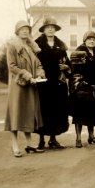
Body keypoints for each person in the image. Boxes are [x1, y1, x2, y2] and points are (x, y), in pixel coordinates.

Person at [4, 20, 46, 157]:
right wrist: (28, 76)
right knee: (16, 114)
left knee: (28, 113)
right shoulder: (12, 46)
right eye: (22, 29)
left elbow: (38, 64)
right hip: (18, 86)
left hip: (31, 86)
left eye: (27, 29)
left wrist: (39, 74)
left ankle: (29, 144)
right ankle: (15, 145)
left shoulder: (30, 47)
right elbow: (12, 66)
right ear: (17, 31)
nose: (25, 31)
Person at [69, 31, 95, 148]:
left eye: (93, 39)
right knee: (80, 114)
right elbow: (74, 71)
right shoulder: (78, 53)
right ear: (85, 40)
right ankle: (78, 138)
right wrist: (80, 83)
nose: (92, 41)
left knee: (92, 113)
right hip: (82, 88)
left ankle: (91, 136)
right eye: (89, 39)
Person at [35, 17, 71, 149]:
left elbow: (67, 62)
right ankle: (41, 140)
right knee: (43, 110)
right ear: (43, 29)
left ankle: (53, 139)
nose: (50, 29)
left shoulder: (60, 46)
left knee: (57, 110)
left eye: (53, 27)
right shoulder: (37, 45)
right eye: (47, 27)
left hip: (58, 84)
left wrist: (67, 68)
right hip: (43, 84)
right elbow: (33, 63)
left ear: (55, 29)